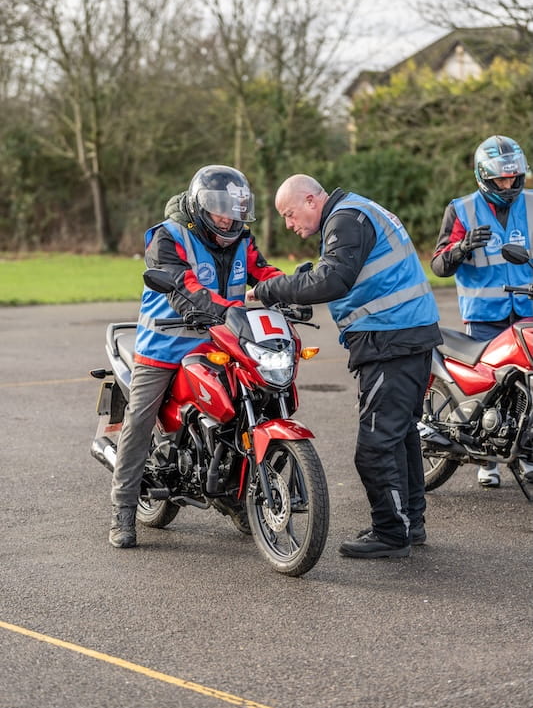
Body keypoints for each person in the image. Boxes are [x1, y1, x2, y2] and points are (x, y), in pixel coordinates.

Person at [246, 174, 442, 559]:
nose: (288, 224)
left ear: (310, 200)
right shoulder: (358, 211)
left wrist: (269, 290)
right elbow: (341, 273)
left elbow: (333, 280)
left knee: (375, 446)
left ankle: (391, 534)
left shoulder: (346, 219)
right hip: (407, 336)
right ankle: (408, 524)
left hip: (392, 340)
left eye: (289, 214)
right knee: (400, 437)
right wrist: (302, 281)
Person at [109, 165, 283, 548]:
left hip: (222, 344)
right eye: (220, 210)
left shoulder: (241, 238)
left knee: (252, 406)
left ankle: (235, 496)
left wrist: (291, 288)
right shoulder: (168, 237)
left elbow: (263, 272)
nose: (228, 219)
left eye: (235, 211)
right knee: (139, 420)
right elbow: (184, 288)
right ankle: (123, 509)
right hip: (164, 347)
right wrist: (229, 311)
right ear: (200, 205)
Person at [431, 134, 533, 488]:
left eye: (514, 177)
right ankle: (487, 462)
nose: (509, 185)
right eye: (501, 179)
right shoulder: (461, 209)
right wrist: (461, 247)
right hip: (485, 314)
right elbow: (439, 265)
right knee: (492, 389)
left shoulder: (532, 204)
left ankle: (526, 454)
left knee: (528, 389)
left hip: (527, 310)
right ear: (484, 177)